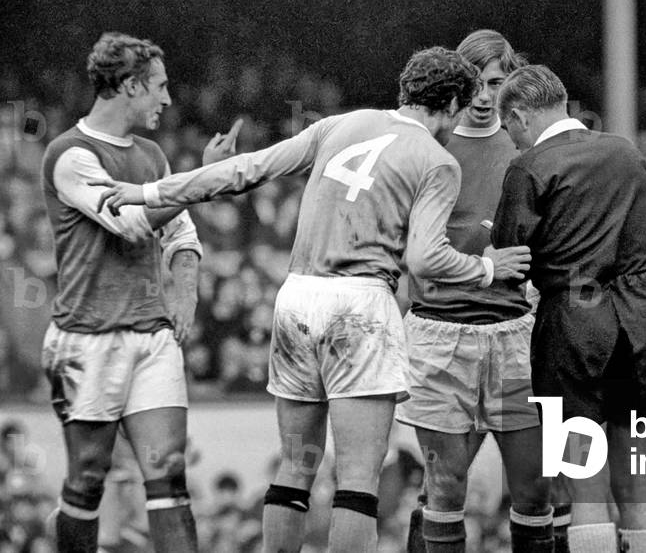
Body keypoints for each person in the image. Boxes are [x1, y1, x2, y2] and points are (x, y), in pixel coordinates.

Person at [91, 46, 532, 553]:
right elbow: (427, 259)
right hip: (360, 307)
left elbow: (247, 169)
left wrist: (147, 194)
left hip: (296, 298)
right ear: (452, 103)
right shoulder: (437, 161)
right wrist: (486, 268)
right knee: (357, 478)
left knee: (296, 462)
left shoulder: (339, 126)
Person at [39, 32, 240, 553]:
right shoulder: (69, 154)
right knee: (88, 476)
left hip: (151, 336)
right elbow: (130, 223)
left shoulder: (151, 154)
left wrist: (186, 291)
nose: (168, 99)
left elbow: (181, 234)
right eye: (159, 87)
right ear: (130, 86)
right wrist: (203, 177)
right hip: (87, 340)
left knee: (169, 473)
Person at [492, 64, 646, 553]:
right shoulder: (629, 153)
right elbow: (632, 237)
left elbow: (511, 254)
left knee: (583, 484)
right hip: (638, 324)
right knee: (636, 483)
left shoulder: (529, 167)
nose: (510, 140)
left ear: (520, 116)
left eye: (508, 128)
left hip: (570, 330)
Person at [398, 31, 554, 553]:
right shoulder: (428, 141)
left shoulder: (528, 144)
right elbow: (411, 250)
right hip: (444, 337)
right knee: (443, 488)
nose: (486, 96)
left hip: (516, 339)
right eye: (476, 83)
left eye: (497, 82)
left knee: (534, 492)